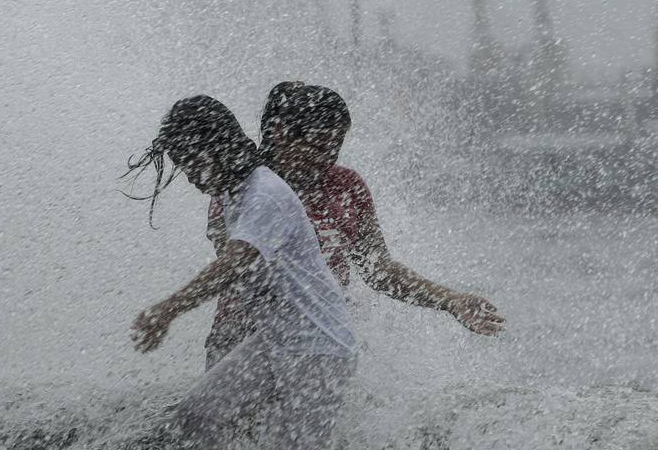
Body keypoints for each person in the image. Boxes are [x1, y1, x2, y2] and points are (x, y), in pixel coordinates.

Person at [125, 95, 355, 450]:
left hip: (320, 349)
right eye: (182, 165)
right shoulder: (234, 193)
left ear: (218, 146)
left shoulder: (264, 192)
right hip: (274, 342)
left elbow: (235, 262)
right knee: (199, 415)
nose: (191, 177)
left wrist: (168, 309)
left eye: (193, 162)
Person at [204, 81, 504, 366]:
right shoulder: (241, 190)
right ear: (282, 134)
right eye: (319, 145)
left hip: (319, 340)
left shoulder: (346, 186)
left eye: (336, 147)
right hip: (241, 338)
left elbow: (379, 271)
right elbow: (238, 269)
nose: (327, 158)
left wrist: (450, 300)